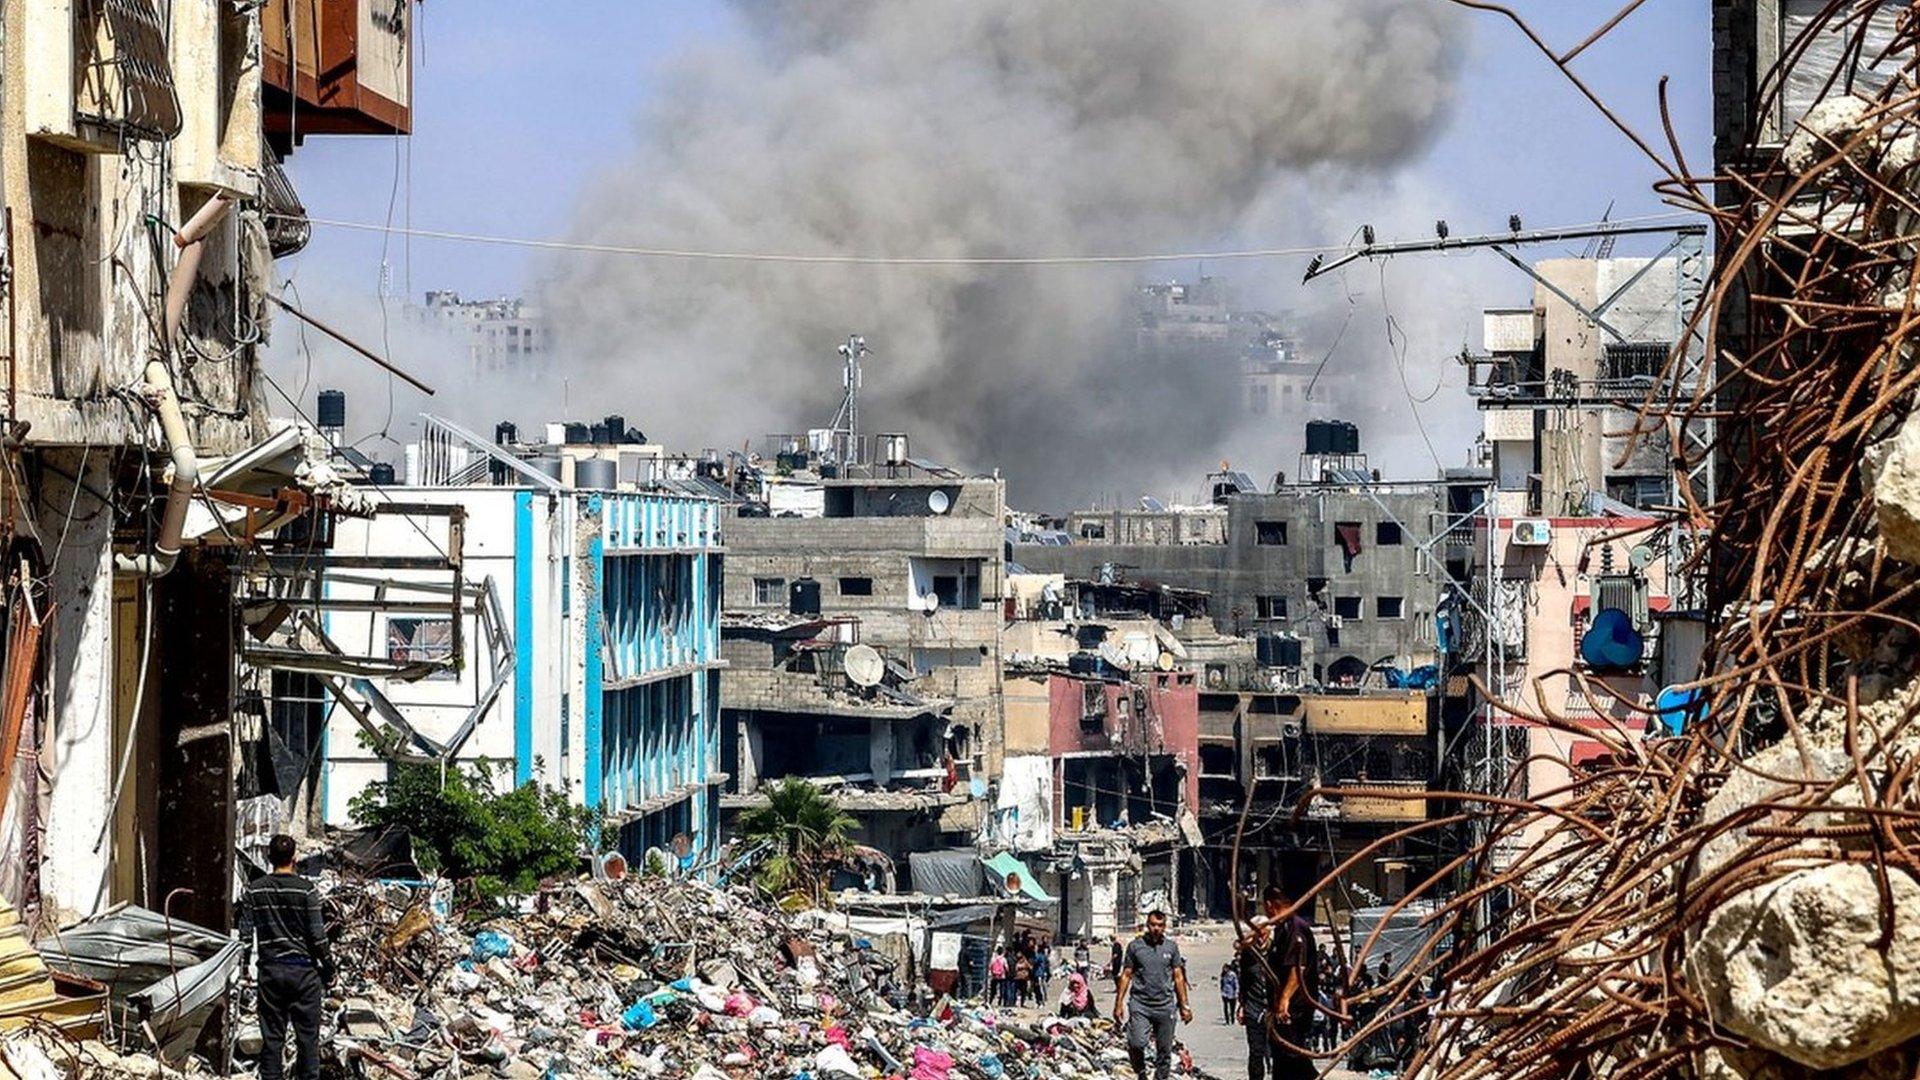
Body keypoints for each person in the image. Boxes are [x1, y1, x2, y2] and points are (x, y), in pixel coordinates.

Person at [238, 834, 334, 1080]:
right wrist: (329, 968)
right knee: (307, 1040)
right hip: (304, 974)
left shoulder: (255, 890)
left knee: (272, 1039)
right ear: (295, 858)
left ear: (269, 858)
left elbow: (245, 934)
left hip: (270, 973)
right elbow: (318, 936)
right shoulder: (307, 890)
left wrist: (244, 968)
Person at [1237, 884, 1319, 1080]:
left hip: (1294, 1007)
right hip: (1280, 1007)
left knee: (1291, 1055)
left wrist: (1284, 1000)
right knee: (1282, 1058)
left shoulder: (1295, 927)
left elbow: (1297, 968)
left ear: (1269, 905)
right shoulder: (1283, 928)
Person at [1112, 908, 1192, 1080]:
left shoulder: (1171, 947)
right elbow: (1126, 975)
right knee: (1136, 1042)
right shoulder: (1135, 947)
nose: (1156, 928)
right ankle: (1140, 1072)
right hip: (1141, 1005)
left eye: (1160, 925)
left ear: (1165, 927)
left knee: (1164, 1050)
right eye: (1153, 925)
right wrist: (1118, 1003)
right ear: (1147, 925)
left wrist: (1185, 1006)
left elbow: (1178, 977)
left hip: (1165, 1006)